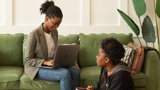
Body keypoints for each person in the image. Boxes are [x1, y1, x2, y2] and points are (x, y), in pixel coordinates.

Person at [24, 1, 80, 90]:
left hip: (51, 64)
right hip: (37, 68)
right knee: (64, 74)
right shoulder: (34, 34)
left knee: (76, 72)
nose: (56, 27)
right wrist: (45, 62)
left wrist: (61, 60)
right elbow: (27, 60)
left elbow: (53, 52)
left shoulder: (54, 32)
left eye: (58, 24)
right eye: (54, 24)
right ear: (46, 19)